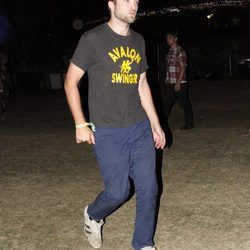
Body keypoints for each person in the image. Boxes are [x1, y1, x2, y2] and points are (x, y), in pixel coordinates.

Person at [64, 1, 166, 250]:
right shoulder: (93, 39)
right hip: (108, 130)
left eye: (137, 1)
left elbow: (142, 85)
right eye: (127, 0)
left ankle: (143, 244)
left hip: (139, 126)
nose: (134, 6)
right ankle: (93, 213)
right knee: (118, 191)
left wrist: (155, 123)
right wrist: (80, 123)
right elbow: (70, 82)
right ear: (111, 4)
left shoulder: (138, 41)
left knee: (149, 188)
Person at [164, 31, 194, 130]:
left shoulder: (180, 52)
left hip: (179, 82)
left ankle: (189, 124)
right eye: (167, 38)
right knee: (167, 104)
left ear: (175, 38)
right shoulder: (170, 51)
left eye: (169, 38)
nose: (167, 40)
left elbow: (182, 68)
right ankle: (162, 125)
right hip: (170, 81)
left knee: (184, 103)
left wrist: (178, 82)